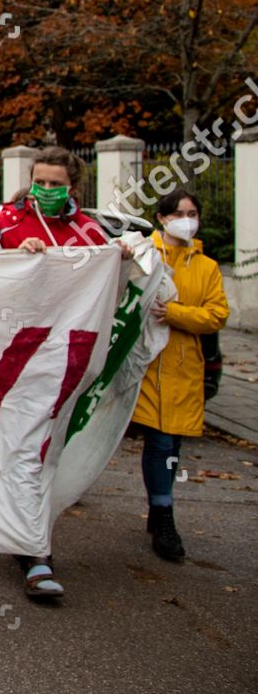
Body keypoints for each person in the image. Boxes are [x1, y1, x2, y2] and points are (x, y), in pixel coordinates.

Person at [0, 146, 123, 597]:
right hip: (14, 355)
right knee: (22, 448)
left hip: (63, 363)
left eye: (55, 184)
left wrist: (129, 258)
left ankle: (29, 541)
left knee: (41, 452)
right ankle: (34, 551)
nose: (45, 189)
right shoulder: (6, 224)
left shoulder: (88, 231)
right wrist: (17, 260)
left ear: (73, 187)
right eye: (39, 180)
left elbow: (109, 288)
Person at [131, 190, 229, 562]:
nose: (187, 219)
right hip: (150, 365)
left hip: (186, 367)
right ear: (162, 219)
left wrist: (174, 313)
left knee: (173, 446)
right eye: (179, 213)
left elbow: (216, 315)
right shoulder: (145, 255)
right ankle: (164, 516)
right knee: (159, 442)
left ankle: (159, 510)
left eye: (193, 213)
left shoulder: (207, 267)